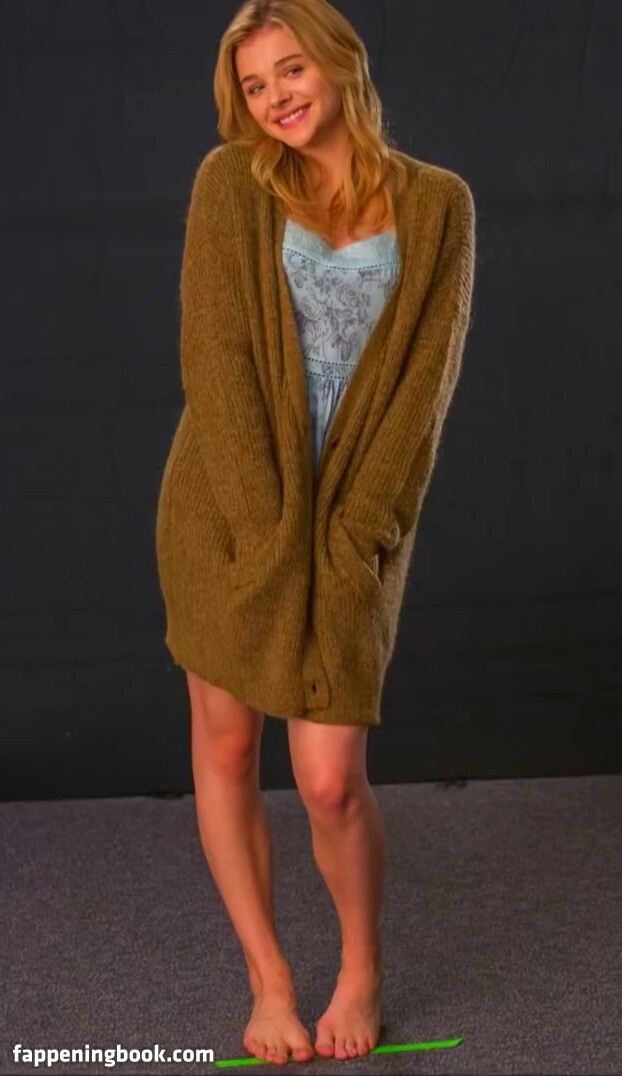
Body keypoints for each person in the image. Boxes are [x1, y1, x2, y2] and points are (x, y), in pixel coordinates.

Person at [155, 0, 476, 1067]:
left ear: (340, 61)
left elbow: (424, 391)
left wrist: (356, 538)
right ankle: (270, 979)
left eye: (290, 70)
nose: (276, 98)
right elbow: (216, 369)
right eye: (253, 84)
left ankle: (359, 970)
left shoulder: (438, 205)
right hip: (226, 514)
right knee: (227, 746)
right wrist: (264, 536)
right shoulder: (229, 185)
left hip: (350, 525)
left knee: (330, 779)